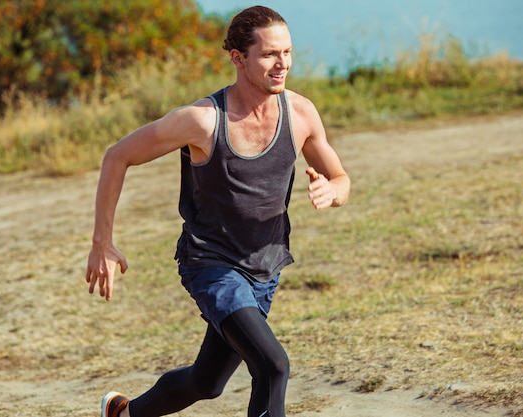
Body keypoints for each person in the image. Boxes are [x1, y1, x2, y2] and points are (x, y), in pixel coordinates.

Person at [86, 5, 350, 417]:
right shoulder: (203, 121)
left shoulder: (300, 113)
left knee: (206, 382)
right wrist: (102, 243)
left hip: (264, 267)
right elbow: (117, 156)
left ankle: (124, 414)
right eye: (269, 54)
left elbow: (341, 178)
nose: (283, 64)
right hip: (211, 263)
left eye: (288, 52)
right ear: (238, 58)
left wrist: (332, 191)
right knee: (273, 366)